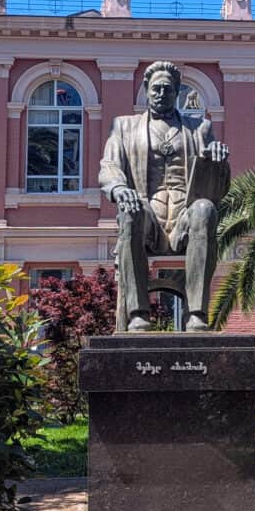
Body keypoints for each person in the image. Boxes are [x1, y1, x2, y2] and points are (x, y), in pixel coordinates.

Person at [99, 60, 230, 331]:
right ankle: (138, 313)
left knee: (205, 209)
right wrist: (120, 189)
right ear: (146, 90)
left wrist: (219, 161)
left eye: (168, 89)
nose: (161, 94)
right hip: (147, 214)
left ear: (177, 92)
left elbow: (218, 187)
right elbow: (109, 166)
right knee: (130, 213)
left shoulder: (200, 128)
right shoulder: (124, 127)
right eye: (156, 88)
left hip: (185, 217)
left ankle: (196, 314)